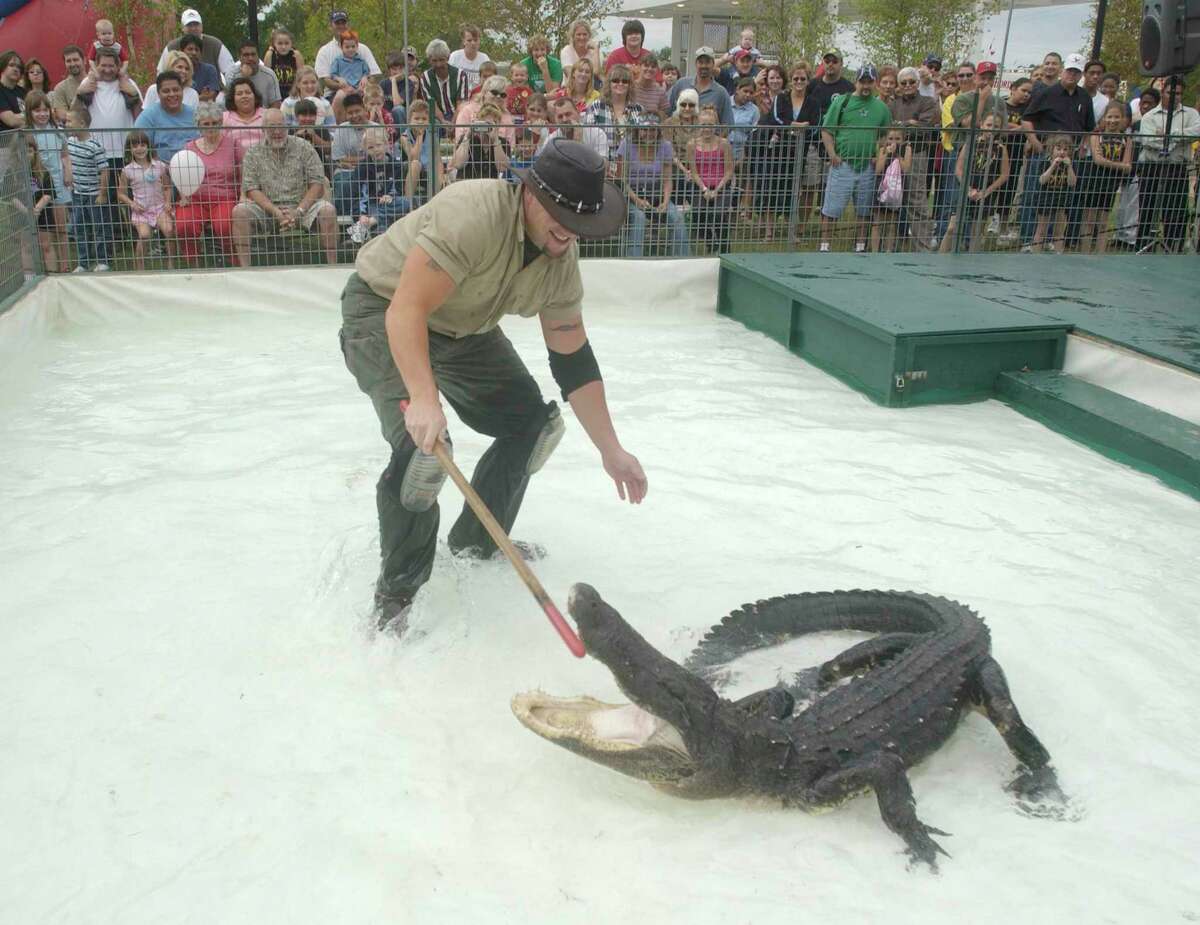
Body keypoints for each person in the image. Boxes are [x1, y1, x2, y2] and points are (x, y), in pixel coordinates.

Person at [337, 137, 645, 631]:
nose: (569, 233)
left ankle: (479, 541)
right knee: (425, 449)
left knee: (535, 425)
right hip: (383, 310)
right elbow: (407, 309)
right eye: (560, 216)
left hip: (464, 329)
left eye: (580, 224)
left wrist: (612, 449)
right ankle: (397, 592)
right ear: (529, 195)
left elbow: (573, 359)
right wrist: (423, 397)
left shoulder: (560, 257)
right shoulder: (472, 214)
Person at [232, 109, 337, 267]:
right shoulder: (253, 153)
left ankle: (332, 267)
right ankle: (245, 269)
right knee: (239, 212)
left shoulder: (304, 147)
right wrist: (275, 211)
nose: (277, 131)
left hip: (303, 206)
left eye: (281, 126)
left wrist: (299, 210)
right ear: (263, 130)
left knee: (328, 210)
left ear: (288, 127)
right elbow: (251, 188)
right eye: (272, 127)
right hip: (266, 209)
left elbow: (317, 182)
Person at [1018, 53, 1095, 247]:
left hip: (1071, 155)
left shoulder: (1084, 97)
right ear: (1063, 71)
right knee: (1035, 196)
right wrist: (1034, 141)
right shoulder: (1046, 93)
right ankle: (1029, 240)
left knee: (1063, 200)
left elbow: (1089, 127)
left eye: (1076, 72)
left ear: (1081, 75)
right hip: (1045, 153)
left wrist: (1083, 147)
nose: (1072, 75)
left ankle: (1053, 241)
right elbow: (1027, 119)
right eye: (1070, 71)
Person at [819, 64, 891, 253]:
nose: (866, 86)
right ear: (856, 82)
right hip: (843, 164)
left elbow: (885, 136)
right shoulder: (842, 102)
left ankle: (860, 246)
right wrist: (832, 154)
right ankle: (824, 247)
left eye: (869, 82)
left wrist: (879, 154)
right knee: (831, 209)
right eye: (862, 81)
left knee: (863, 210)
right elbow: (826, 130)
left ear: (875, 83)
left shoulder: (882, 108)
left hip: (866, 167)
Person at [1135, 80, 1200, 252]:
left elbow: (1197, 131)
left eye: (1178, 94)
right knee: (1148, 209)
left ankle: (1174, 248)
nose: (1174, 97)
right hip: (1152, 168)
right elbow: (1148, 140)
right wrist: (1177, 141)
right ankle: (1144, 247)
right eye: (1171, 93)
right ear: (1163, 92)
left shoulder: (1191, 114)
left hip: (1176, 168)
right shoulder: (1150, 116)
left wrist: (1170, 135)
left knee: (1176, 210)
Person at [174, 101, 240, 266]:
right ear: (198, 125)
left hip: (224, 198)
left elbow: (243, 173)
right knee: (184, 226)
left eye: (215, 123)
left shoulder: (232, 144)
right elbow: (180, 173)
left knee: (225, 226)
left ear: (220, 123)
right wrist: (183, 195)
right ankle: (193, 265)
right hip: (195, 198)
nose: (211, 127)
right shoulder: (189, 148)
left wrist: (243, 196)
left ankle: (234, 263)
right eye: (206, 124)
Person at [615, 113, 688, 256]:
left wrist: (666, 202)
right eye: (645, 130)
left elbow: (667, 180)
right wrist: (636, 199)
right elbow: (621, 178)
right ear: (638, 130)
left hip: (657, 193)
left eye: (653, 130)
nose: (649, 134)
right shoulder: (627, 144)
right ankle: (634, 260)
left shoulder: (665, 146)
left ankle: (682, 259)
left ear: (658, 131)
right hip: (630, 194)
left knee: (676, 217)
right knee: (639, 217)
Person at [939, 112, 1009, 253]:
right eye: (989, 125)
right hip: (966, 189)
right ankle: (941, 259)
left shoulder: (1001, 149)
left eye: (996, 126)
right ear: (982, 125)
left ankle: (972, 263)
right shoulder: (970, 144)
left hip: (985, 192)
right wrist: (968, 189)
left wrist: (986, 191)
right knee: (953, 227)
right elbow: (958, 169)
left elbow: (1004, 175)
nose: (991, 129)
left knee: (976, 232)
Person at [889, 66, 939, 249]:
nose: (908, 85)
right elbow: (889, 128)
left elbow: (926, 127)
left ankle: (922, 246)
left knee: (917, 201)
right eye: (904, 83)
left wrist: (903, 125)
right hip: (893, 157)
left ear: (918, 83)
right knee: (889, 199)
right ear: (899, 85)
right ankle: (890, 247)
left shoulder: (927, 102)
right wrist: (910, 123)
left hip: (917, 156)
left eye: (911, 82)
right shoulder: (893, 104)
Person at [25, 91, 72, 269]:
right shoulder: (27, 133)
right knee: (44, 233)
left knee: (61, 229)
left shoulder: (58, 132)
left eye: (45, 110)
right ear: (29, 112)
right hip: (40, 188)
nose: (42, 114)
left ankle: (65, 266)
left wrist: (68, 172)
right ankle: (43, 268)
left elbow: (65, 155)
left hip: (59, 184)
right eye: (37, 110)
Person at [116, 130, 174, 270]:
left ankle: (171, 264)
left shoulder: (159, 166)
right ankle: (140, 268)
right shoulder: (127, 170)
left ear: (148, 146)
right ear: (129, 149)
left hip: (159, 207)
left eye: (143, 144)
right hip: (141, 210)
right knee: (144, 235)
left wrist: (167, 202)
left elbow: (167, 187)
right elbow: (120, 193)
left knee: (169, 230)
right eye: (135, 146)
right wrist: (132, 204)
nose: (139, 148)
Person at [1081, 101, 1132, 253]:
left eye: (1117, 117)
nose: (1113, 120)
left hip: (1111, 185)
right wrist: (1118, 164)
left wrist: (1109, 163)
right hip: (1093, 182)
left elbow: (1128, 167)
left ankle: (1100, 255)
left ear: (1123, 119)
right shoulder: (1097, 136)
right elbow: (1097, 159)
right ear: (1104, 118)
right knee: (1089, 221)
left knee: (1103, 223)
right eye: (1110, 117)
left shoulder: (1126, 139)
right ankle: (1085, 254)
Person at [688, 104, 737, 252]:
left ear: (716, 126)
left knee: (718, 215)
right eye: (703, 125)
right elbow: (694, 172)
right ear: (698, 126)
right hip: (700, 185)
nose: (707, 129)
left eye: (710, 125)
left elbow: (729, 170)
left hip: (721, 185)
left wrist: (717, 190)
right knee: (698, 216)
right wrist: (704, 189)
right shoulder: (692, 144)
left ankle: (725, 250)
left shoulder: (724, 144)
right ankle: (711, 243)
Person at [65, 110, 110, 271]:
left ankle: (102, 261)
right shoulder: (69, 141)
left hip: (93, 195)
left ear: (82, 124)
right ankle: (83, 263)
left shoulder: (94, 146)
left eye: (69, 121)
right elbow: (67, 160)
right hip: (77, 194)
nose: (66, 124)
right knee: (80, 228)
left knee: (99, 228)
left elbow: (105, 170)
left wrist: (102, 193)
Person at [347, 127, 407, 243]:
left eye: (379, 145)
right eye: (370, 147)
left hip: (391, 202)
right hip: (372, 203)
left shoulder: (396, 165)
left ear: (386, 144)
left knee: (406, 203)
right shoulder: (362, 168)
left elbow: (398, 187)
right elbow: (358, 194)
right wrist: (361, 215)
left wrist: (390, 195)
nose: (376, 150)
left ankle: (371, 222)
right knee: (382, 225)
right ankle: (376, 236)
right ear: (365, 150)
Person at [331, 92, 379, 216]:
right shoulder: (341, 129)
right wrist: (365, 160)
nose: (354, 115)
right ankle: (344, 220)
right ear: (346, 114)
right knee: (345, 183)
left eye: (357, 111)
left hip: (372, 171)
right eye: (350, 113)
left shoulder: (377, 127)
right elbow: (340, 160)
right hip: (346, 171)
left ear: (364, 109)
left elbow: (380, 155)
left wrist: (356, 161)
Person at [134, 71, 198, 163]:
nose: (172, 94)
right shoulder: (147, 117)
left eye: (176, 90)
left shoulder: (195, 115)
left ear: (182, 90)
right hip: (159, 173)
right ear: (158, 93)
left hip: (193, 169)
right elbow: (138, 149)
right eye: (166, 91)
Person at [584, 65, 643, 162]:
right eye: (615, 80)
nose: (620, 84)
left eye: (625, 81)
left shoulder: (639, 109)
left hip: (632, 165)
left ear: (630, 85)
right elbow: (588, 138)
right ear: (609, 84)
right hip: (602, 164)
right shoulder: (596, 107)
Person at [315, 10, 381, 94]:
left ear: (348, 25)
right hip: (334, 94)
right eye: (337, 23)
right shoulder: (324, 51)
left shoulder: (363, 48)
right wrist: (343, 87)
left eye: (343, 23)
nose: (341, 26)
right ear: (330, 26)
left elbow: (374, 75)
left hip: (362, 93)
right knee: (340, 95)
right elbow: (326, 80)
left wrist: (364, 84)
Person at [1031, 133, 1076, 252]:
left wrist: (1070, 167)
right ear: (1051, 149)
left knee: (1059, 231)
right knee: (1041, 230)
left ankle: (1058, 255)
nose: (1062, 152)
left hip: (1061, 199)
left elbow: (1072, 183)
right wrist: (1052, 167)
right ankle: (1036, 255)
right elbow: (1042, 180)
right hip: (1045, 198)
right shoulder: (1045, 162)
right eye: (1058, 148)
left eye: (1065, 149)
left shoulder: (1069, 164)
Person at [157, 9, 234, 76]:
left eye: (196, 24)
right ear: (182, 28)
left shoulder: (215, 44)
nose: (193, 28)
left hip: (213, 91)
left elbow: (230, 71)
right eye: (189, 25)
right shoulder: (171, 47)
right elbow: (161, 73)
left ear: (202, 26)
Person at [667, 48, 732, 126]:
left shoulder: (721, 93)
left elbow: (727, 124)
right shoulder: (681, 84)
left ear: (713, 64)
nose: (704, 66)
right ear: (695, 64)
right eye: (700, 62)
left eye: (707, 62)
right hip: (682, 137)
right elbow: (668, 113)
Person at [872, 124, 911, 252]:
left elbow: (906, 168)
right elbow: (878, 170)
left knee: (892, 223)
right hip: (882, 188)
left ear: (903, 139)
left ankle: (889, 250)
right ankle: (874, 251)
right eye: (891, 138)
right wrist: (887, 153)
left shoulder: (907, 149)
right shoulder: (883, 149)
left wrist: (897, 156)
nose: (894, 142)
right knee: (877, 222)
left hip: (897, 191)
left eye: (897, 138)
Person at [399, 100, 444, 205]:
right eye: (416, 118)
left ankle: (434, 203)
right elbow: (413, 156)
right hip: (409, 170)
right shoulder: (404, 137)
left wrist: (441, 177)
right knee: (416, 164)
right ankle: (407, 203)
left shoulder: (432, 136)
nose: (420, 122)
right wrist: (420, 135)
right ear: (409, 120)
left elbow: (438, 159)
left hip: (426, 171)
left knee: (437, 172)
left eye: (424, 119)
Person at [451, 102, 510, 180]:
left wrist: (495, 140)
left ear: (498, 125)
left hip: (489, 187)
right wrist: (467, 136)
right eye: (484, 123)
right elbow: (458, 164)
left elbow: (502, 168)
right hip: (467, 185)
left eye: (490, 124)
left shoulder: (503, 142)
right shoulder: (467, 140)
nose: (486, 127)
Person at [225, 40, 282, 110]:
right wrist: (245, 78)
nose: (250, 58)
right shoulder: (232, 75)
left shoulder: (269, 75)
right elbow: (230, 104)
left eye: (253, 54)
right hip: (239, 117)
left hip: (264, 117)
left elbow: (275, 104)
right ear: (239, 57)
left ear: (258, 56)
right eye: (246, 55)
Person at [326, 29, 370, 117]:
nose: (350, 49)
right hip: (345, 88)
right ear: (341, 47)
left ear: (357, 46)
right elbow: (332, 74)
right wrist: (339, 79)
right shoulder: (338, 60)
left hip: (359, 88)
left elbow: (367, 72)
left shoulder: (361, 60)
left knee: (370, 95)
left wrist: (364, 77)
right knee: (339, 97)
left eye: (353, 46)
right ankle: (335, 123)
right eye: (347, 47)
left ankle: (368, 120)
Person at [419, 39, 464, 124]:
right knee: (434, 123)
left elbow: (461, 104)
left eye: (441, 60)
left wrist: (453, 124)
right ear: (429, 60)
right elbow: (432, 105)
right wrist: (443, 121)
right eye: (434, 61)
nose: (438, 64)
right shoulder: (425, 78)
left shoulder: (460, 75)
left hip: (457, 114)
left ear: (448, 58)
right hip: (437, 117)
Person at [223, 76, 266, 159]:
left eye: (248, 92)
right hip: (234, 162)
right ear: (233, 99)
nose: (244, 96)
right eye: (239, 94)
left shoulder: (267, 115)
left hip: (264, 161)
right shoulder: (224, 117)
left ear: (255, 96)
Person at [291, 98, 333, 176]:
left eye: (311, 115)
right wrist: (296, 137)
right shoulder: (291, 131)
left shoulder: (321, 130)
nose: (308, 119)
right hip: (295, 171)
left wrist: (314, 136)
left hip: (320, 171)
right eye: (304, 115)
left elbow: (329, 150)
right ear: (297, 117)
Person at [178, 34, 222, 103]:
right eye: (190, 49)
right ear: (181, 51)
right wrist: (199, 97)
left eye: (197, 50)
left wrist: (186, 100)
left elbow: (211, 95)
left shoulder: (209, 69)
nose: (194, 53)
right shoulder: (176, 70)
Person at [449, 24, 491, 95]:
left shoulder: (485, 59)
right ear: (463, 41)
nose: (473, 43)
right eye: (469, 40)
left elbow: (490, 82)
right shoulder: (455, 57)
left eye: (475, 40)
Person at [264, 27, 304, 98]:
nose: (283, 47)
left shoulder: (296, 55)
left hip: (293, 93)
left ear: (291, 43)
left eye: (286, 43)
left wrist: (294, 93)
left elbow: (301, 76)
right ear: (274, 44)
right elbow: (267, 78)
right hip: (275, 95)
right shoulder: (270, 54)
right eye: (280, 43)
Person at [560, 20, 602, 84]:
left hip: (590, 88)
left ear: (589, 36)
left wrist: (596, 49)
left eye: (584, 34)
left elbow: (596, 73)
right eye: (578, 34)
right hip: (571, 88)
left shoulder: (595, 52)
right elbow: (570, 73)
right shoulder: (566, 51)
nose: (582, 37)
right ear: (573, 36)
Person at [51, 46, 86, 121]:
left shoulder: (96, 82)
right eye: (68, 61)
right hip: (75, 132)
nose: (72, 64)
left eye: (75, 60)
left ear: (84, 60)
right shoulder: (60, 88)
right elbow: (61, 115)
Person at [0, 51, 27, 130]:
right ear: (2, 67)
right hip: (5, 139)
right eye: (11, 65)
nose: (16, 69)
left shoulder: (24, 92)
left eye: (18, 67)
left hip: (23, 136)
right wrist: (29, 117)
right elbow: (12, 121)